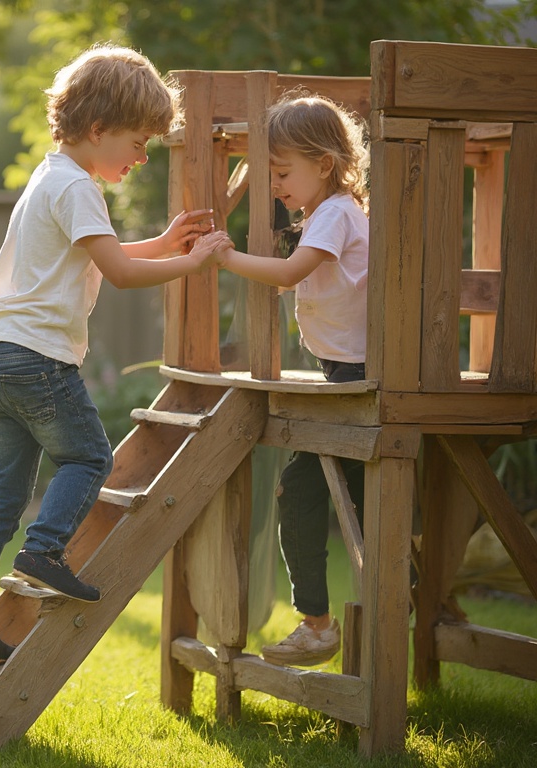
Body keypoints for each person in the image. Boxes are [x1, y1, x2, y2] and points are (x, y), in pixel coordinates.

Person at [0, 44, 233, 670]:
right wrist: (195, 259)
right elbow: (122, 275)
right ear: (97, 128)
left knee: (3, 491)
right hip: (37, 357)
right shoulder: (80, 189)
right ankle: (46, 551)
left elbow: (99, 254)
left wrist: (163, 242)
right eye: (136, 142)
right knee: (89, 456)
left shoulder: (52, 176)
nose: (141, 156)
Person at [212, 92, 369, 667]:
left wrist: (224, 258)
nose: (274, 184)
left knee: (302, 490)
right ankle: (393, 582)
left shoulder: (334, 214)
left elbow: (288, 273)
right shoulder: (327, 214)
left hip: (357, 374)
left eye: (281, 171)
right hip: (344, 370)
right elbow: (287, 280)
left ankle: (320, 624)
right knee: (342, 492)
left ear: (324, 164)